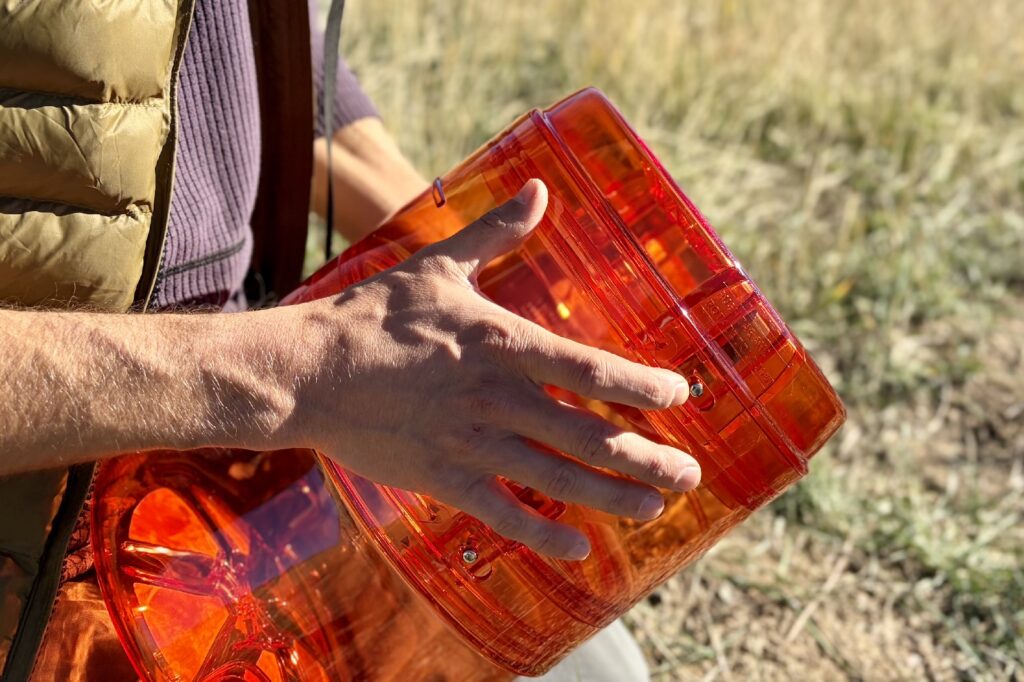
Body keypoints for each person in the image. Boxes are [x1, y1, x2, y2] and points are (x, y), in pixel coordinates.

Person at [0, 1, 699, 679]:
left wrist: (489, 275)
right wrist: (307, 371)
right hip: (40, 567)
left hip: (225, 461)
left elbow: (221, 46)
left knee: (603, 669)